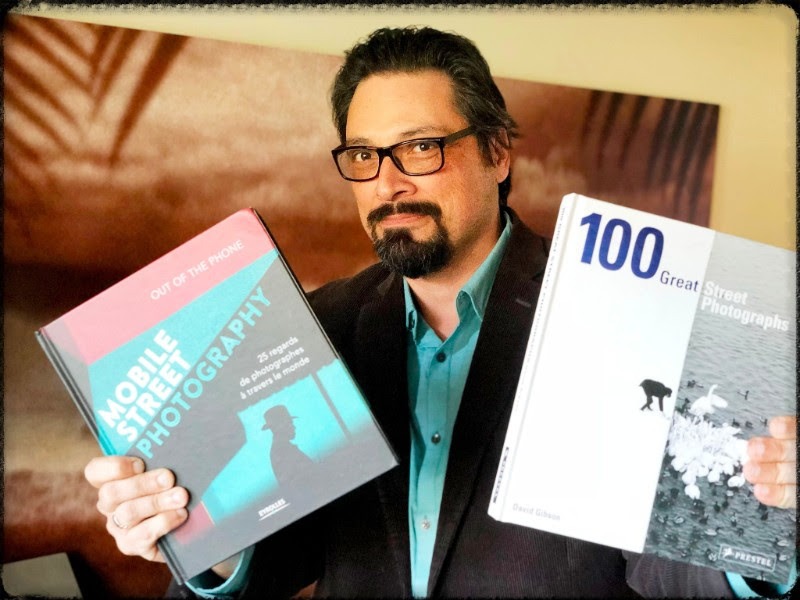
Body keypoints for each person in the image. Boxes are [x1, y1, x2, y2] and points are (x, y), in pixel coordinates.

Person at [85, 26, 796, 598]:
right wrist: (199, 539)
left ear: (496, 152)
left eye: (420, 147)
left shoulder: (625, 315)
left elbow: (670, 569)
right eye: (364, 154)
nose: (388, 183)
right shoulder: (314, 329)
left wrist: (768, 524)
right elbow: (277, 556)